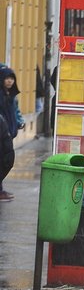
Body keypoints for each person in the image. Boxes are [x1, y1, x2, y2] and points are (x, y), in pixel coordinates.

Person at [0, 65, 24, 201]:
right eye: (7, 78)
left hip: (8, 133)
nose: (9, 81)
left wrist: (20, 121)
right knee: (4, 161)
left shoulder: (12, 95)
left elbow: (16, 111)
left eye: (12, 78)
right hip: (2, 134)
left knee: (5, 160)